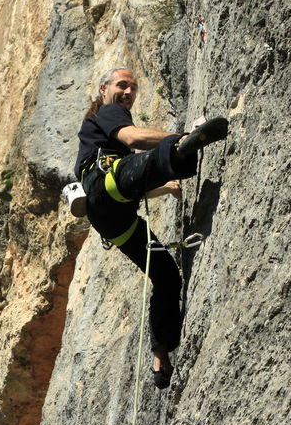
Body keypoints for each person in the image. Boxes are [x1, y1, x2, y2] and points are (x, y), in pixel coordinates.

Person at [71, 67, 227, 389]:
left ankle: (160, 354)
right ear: (104, 89)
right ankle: (184, 148)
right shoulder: (107, 112)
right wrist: (179, 139)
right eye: (122, 85)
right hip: (107, 186)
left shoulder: (99, 129)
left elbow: (131, 179)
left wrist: (165, 188)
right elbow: (132, 139)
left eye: (133, 87)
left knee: (166, 276)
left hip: (113, 220)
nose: (128, 92)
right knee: (146, 162)